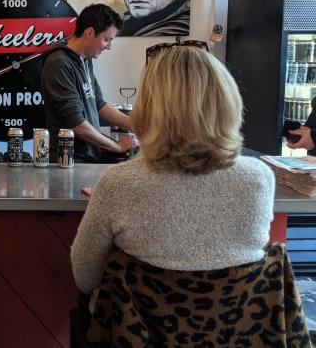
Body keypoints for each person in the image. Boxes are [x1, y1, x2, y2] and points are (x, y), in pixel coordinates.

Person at [71, 43, 275, 297]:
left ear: (148, 107)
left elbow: (85, 278)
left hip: (139, 334)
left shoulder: (118, 184)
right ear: (228, 102)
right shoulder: (258, 178)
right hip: (235, 333)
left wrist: (108, 199)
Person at [41, 4, 137, 163]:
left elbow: (99, 104)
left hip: (89, 154)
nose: (109, 47)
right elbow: (77, 125)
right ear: (89, 33)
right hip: (70, 160)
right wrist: (118, 146)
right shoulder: (59, 64)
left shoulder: (85, 59)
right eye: (107, 39)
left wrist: (137, 125)